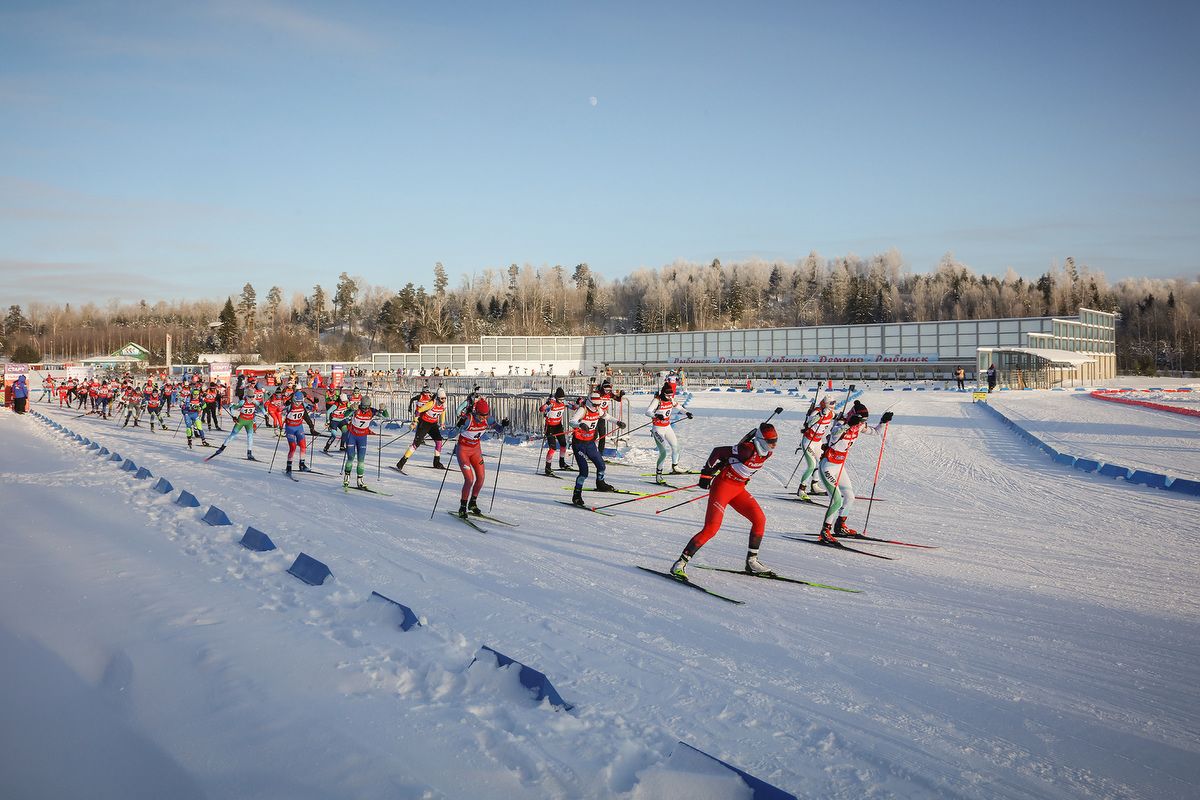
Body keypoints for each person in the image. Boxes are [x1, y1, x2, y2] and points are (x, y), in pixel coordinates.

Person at [670, 422, 779, 577]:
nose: (774, 444)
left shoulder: (767, 452)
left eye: (776, 440)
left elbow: (737, 464)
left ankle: (751, 562)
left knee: (760, 519)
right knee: (711, 529)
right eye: (770, 441)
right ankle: (680, 563)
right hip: (722, 488)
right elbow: (718, 452)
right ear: (761, 440)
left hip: (738, 489)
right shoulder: (746, 449)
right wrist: (706, 473)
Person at [816, 405, 894, 543]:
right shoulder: (841, 423)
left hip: (839, 466)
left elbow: (875, 432)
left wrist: (883, 422)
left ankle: (840, 526)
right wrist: (848, 425)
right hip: (827, 466)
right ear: (852, 417)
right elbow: (834, 435)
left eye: (864, 421)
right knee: (836, 501)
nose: (862, 424)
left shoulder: (858, 426)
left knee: (850, 497)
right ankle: (825, 531)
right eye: (860, 420)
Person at [452, 396, 507, 518]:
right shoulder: (468, 419)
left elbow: (498, 429)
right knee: (469, 480)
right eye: (482, 415)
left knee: (481, 478)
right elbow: (451, 435)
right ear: (476, 412)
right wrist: (458, 426)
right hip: (463, 451)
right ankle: (462, 507)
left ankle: (473, 503)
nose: (484, 418)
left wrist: (503, 426)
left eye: (486, 415)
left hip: (476, 451)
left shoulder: (488, 419)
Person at [568, 389, 625, 505]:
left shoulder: (598, 409)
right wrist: (580, 424)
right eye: (595, 405)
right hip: (579, 444)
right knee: (584, 472)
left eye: (598, 405)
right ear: (589, 403)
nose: (597, 407)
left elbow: (607, 416)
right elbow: (571, 421)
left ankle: (600, 483)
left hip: (590, 443)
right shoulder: (582, 409)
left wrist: (618, 422)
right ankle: (576, 495)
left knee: (601, 466)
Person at [645, 381, 693, 482]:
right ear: (663, 393)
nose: (670, 397)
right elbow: (648, 412)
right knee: (663, 452)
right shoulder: (657, 400)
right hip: (658, 429)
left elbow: (678, 406)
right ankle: (658, 476)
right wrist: (656, 415)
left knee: (676, 447)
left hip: (667, 427)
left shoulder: (671, 399)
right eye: (668, 395)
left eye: (671, 395)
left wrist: (687, 413)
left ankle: (675, 467)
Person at [395, 387, 448, 471]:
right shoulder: (431, 403)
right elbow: (418, 411)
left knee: (439, 441)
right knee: (416, 444)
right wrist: (415, 421)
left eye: (445, 398)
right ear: (437, 397)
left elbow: (443, 413)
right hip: (424, 423)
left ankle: (436, 462)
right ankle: (401, 462)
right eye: (442, 398)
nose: (443, 400)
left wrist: (442, 423)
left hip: (433, 424)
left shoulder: (444, 405)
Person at [795, 396, 837, 500]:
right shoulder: (816, 411)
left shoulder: (831, 413)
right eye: (831, 403)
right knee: (811, 465)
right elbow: (809, 423)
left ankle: (814, 486)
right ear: (825, 404)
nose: (833, 405)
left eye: (834, 403)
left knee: (821, 462)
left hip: (818, 442)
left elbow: (840, 418)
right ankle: (801, 490)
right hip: (808, 441)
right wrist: (821, 414)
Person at [342, 395, 388, 489]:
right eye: (363, 407)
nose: (365, 409)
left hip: (362, 438)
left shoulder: (372, 411)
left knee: (361, 460)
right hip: (352, 436)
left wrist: (384, 409)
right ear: (360, 405)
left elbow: (386, 416)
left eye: (367, 407)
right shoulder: (356, 409)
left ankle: (360, 480)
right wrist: (350, 409)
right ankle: (347, 476)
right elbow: (344, 415)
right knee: (350, 457)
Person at [211, 394, 265, 460]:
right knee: (233, 435)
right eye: (250, 397)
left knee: (250, 436)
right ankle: (221, 449)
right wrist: (233, 416)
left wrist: (265, 415)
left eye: (253, 397)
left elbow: (262, 407)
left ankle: (249, 453)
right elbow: (232, 408)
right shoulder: (242, 402)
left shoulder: (255, 402)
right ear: (247, 397)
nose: (252, 398)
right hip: (241, 421)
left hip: (249, 422)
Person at [539, 387, 572, 476]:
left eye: (563, 399)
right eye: (560, 399)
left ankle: (562, 463)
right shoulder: (552, 403)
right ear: (556, 397)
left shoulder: (564, 402)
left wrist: (580, 403)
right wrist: (547, 403)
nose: (561, 401)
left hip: (558, 426)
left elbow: (573, 407)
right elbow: (541, 409)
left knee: (563, 444)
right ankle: (548, 468)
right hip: (550, 427)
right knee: (553, 448)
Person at [282, 394, 318, 475]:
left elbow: (312, 410)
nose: (298, 403)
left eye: (300, 402)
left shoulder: (303, 405)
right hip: (290, 428)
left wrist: (315, 403)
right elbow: (280, 409)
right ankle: (289, 467)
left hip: (299, 428)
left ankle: (302, 465)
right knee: (293, 447)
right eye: (296, 402)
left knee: (303, 445)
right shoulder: (290, 405)